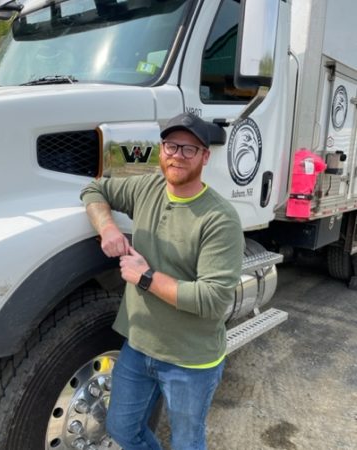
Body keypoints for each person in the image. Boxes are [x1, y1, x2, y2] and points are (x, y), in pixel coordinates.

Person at [80, 112, 244, 450]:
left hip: (191, 360)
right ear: (161, 149)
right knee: (122, 429)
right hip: (139, 347)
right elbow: (94, 189)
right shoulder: (148, 186)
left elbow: (213, 300)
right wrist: (107, 228)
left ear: (205, 157)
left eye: (189, 149)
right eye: (171, 146)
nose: (177, 155)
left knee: (186, 442)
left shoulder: (220, 219)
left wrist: (145, 278)